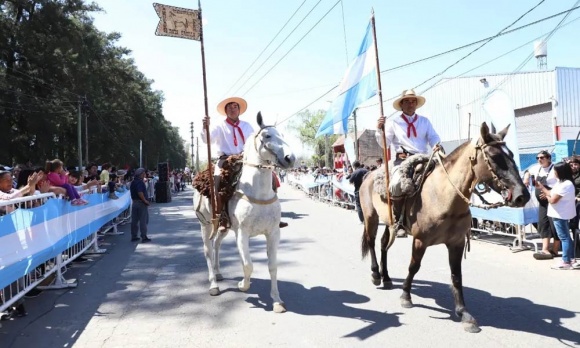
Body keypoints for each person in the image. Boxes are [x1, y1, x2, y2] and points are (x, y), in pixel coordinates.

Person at [201, 96, 288, 229]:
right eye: (229, 107)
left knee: (272, 179)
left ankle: (274, 216)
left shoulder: (247, 126)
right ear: (225, 111)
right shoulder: (219, 126)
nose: (232, 109)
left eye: (235, 106)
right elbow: (207, 140)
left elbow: (255, 143)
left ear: (239, 110)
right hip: (225, 160)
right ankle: (221, 217)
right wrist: (205, 127)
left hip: (245, 159)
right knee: (217, 182)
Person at [375, 89, 441, 237]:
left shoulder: (424, 121)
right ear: (401, 104)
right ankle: (399, 221)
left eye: (413, 101)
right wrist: (380, 130)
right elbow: (384, 144)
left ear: (416, 104)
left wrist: (437, 145)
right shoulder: (393, 123)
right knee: (397, 183)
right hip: (403, 160)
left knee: (443, 178)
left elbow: (433, 137)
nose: (410, 104)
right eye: (407, 101)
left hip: (423, 158)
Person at [535, 162, 579, 270]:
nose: (553, 173)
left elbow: (553, 200)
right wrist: (542, 187)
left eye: (555, 171)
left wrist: (547, 196)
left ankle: (565, 261)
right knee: (566, 237)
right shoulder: (561, 182)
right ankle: (571, 258)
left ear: (560, 172)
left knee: (564, 237)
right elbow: (551, 192)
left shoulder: (566, 184)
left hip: (560, 214)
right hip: (560, 213)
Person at [523, 150, 560, 260]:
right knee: (543, 224)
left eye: (542, 157)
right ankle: (545, 250)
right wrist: (526, 177)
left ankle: (555, 249)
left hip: (553, 202)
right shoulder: (536, 168)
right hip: (542, 204)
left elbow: (561, 184)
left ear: (548, 158)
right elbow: (528, 171)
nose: (539, 159)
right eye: (538, 158)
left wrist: (549, 193)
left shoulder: (555, 169)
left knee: (555, 226)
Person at [130, 168, 151, 242]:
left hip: (135, 203)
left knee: (134, 220)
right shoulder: (140, 182)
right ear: (141, 174)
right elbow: (140, 192)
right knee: (143, 220)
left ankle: (134, 235)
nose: (145, 174)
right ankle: (144, 236)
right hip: (141, 203)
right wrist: (145, 200)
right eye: (144, 173)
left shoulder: (133, 182)